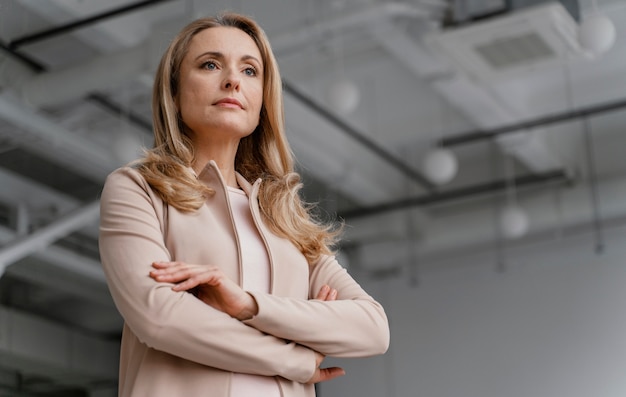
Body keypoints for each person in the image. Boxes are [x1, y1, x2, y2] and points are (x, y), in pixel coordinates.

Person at [98, 11, 389, 397]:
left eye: (250, 71)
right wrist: (295, 358)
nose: (233, 80)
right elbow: (160, 317)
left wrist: (248, 306)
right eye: (210, 64)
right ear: (174, 92)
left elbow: (372, 328)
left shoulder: (285, 219)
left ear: (262, 100)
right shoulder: (138, 190)